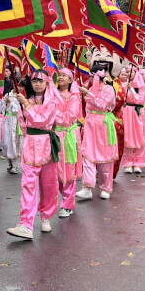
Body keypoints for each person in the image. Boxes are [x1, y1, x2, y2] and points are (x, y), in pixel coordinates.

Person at [7, 69, 61, 239]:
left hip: (46, 145)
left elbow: (41, 120)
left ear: (47, 83)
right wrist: (29, 137)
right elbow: (22, 123)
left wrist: (27, 105)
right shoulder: (27, 100)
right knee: (28, 184)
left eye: (40, 81)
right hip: (30, 144)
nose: (37, 84)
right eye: (34, 81)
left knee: (48, 184)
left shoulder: (51, 101)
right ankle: (25, 223)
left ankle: (46, 216)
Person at [76, 66, 118, 200]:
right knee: (88, 155)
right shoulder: (90, 89)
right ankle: (87, 187)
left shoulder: (109, 89)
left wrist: (88, 94)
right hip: (90, 124)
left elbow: (102, 105)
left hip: (103, 124)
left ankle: (106, 187)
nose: (89, 78)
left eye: (91, 76)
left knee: (105, 157)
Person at [55, 68, 83, 218]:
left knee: (68, 170)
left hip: (67, 135)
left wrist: (51, 114)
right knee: (55, 171)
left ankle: (67, 204)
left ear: (70, 80)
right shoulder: (51, 94)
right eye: (59, 75)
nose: (60, 77)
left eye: (63, 75)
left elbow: (69, 117)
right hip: (53, 136)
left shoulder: (73, 97)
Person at [120, 66, 145, 174]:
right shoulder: (123, 85)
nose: (128, 74)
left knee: (139, 137)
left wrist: (132, 89)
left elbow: (141, 99)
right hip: (127, 112)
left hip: (138, 113)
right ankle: (128, 163)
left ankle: (137, 163)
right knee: (128, 138)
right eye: (127, 72)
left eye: (130, 72)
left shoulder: (141, 86)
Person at [1, 70, 22, 174]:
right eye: (16, 84)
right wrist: (5, 103)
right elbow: (2, 107)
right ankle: (9, 163)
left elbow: (20, 110)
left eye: (20, 85)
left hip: (17, 121)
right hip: (7, 120)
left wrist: (11, 103)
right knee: (6, 142)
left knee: (15, 142)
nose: (18, 87)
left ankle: (15, 165)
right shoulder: (8, 94)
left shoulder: (22, 97)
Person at [111, 64, 128, 178]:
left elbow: (120, 101)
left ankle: (111, 172)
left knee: (116, 145)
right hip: (95, 119)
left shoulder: (118, 84)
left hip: (115, 117)